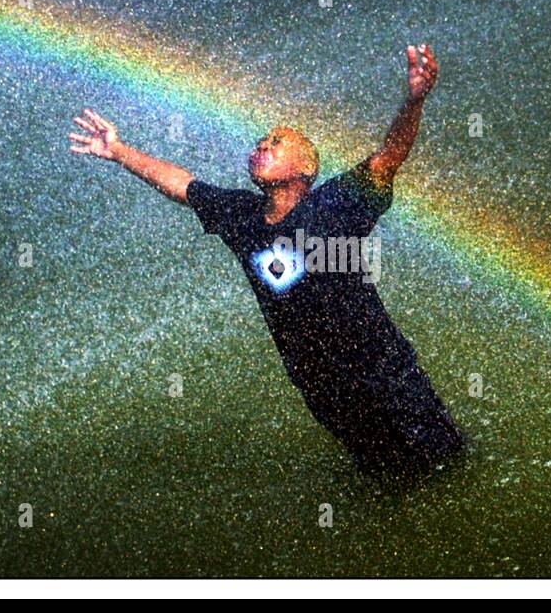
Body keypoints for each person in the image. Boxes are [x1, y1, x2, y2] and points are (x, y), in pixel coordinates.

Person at [69, 44, 465, 473]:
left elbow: (389, 157)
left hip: (384, 370)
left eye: (278, 142)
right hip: (322, 388)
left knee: (446, 466)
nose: (263, 144)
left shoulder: (336, 205)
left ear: (305, 168)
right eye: (262, 140)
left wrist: (414, 100)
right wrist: (119, 150)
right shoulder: (241, 216)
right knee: (383, 477)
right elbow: (182, 183)